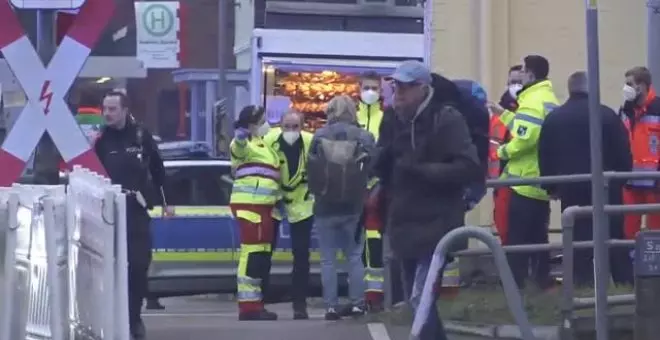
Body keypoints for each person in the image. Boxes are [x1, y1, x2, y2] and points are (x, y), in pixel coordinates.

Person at [374, 61, 481, 340]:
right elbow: (387, 164)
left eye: (406, 87)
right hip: (403, 219)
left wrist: (422, 171)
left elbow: (468, 167)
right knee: (417, 300)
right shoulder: (391, 119)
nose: (398, 93)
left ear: (423, 89)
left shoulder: (446, 118)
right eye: (396, 86)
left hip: (437, 221)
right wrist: (379, 163)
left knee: (420, 299)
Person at [538, 71, 634, 286]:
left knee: (577, 242)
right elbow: (623, 153)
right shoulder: (607, 115)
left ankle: (581, 289)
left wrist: (550, 186)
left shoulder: (554, 118)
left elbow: (545, 154)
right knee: (613, 240)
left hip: (570, 190)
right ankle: (623, 287)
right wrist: (621, 179)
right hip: (606, 188)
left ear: (571, 89)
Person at [94, 91, 173, 340]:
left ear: (125, 110)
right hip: (106, 213)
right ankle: (110, 320)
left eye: (112, 109)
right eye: (105, 109)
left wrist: (166, 203)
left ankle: (134, 319)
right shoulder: (100, 140)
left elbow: (158, 169)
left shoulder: (140, 135)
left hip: (135, 210)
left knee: (138, 267)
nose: (107, 113)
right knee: (107, 268)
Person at [487, 55, 559, 289]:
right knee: (538, 237)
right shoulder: (547, 98)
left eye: (525, 70)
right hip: (539, 180)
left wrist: (502, 152)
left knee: (518, 240)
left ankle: (514, 287)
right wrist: (503, 113)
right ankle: (539, 283)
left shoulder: (532, 100)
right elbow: (524, 125)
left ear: (531, 74)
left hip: (524, 181)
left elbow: (525, 138)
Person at [307, 95, 376, 320]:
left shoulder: (319, 136)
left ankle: (331, 306)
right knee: (354, 256)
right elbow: (374, 166)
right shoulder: (364, 136)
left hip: (325, 205)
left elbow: (311, 169)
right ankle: (357, 303)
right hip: (354, 205)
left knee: (328, 259)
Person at [229, 105, 280, 321]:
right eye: (261, 120)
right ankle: (248, 307)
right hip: (250, 206)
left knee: (259, 255)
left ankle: (256, 303)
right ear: (251, 124)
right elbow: (238, 148)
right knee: (251, 254)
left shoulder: (263, 145)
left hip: (264, 206)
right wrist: (241, 133)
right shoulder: (243, 143)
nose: (266, 123)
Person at [262, 111, 314, 319]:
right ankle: (260, 300)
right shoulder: (269, 140)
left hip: (302, 203)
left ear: (302, 127)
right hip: (274, 201)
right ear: (280, 125)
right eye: (287, 126)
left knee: (301, 256)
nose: (291, 131)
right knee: (265, 252)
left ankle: (299, 304)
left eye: (295, 127)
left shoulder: (310, 141)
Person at [619, 66, 660, 240]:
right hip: (630, 181)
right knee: (628, 230)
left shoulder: (658, 109)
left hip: (655, 183)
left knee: (655, 233)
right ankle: (629, 265)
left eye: (629, 84)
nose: (626, 88)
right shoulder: (626, 111)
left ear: (641, 86)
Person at [357, 71, 386, 312]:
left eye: (374, 88)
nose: (370, 92)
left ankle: (375, 298)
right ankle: (359, 297)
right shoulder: (352, 118)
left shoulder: (385, 119)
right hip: (353, 190)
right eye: (367, 87)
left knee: (376, 242)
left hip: (379, 188)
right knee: (354, 246)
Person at [490, 65, 523, 244]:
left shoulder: (529, 111)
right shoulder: (497, 113)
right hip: (501, 184)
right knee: (504, 229)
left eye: (520, 81)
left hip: (526, 182)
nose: (516, 86)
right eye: (513, 82)